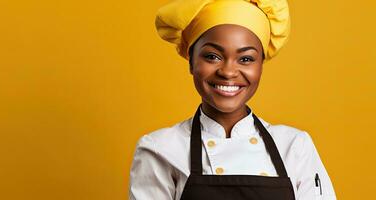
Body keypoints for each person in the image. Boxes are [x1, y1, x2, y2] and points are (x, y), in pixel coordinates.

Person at [129, 0, 336, 199]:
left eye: (245, 59)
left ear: (260, 66)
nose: (228, 72)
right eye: (212, 56)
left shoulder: (295, 146)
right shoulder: (160, 149)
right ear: (191, 61)